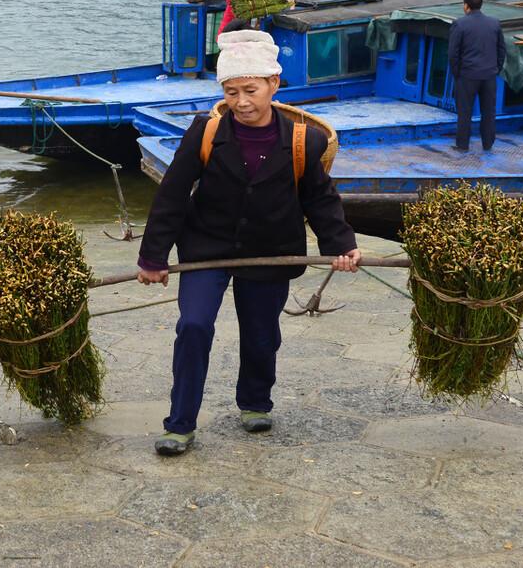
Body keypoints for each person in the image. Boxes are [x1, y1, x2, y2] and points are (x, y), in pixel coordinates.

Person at [136, 30, 360, 456]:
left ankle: (255, 401)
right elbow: (172, 194)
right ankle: (180, 423)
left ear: (274, 84)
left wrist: (341, 245)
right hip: (207, 249)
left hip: (270, 249)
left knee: (260, 335)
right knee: (194, 326)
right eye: (232, 91)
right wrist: (153, 256)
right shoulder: (205, 132)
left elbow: (320, 199)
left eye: (251, 90)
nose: (242, 102)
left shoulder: (303, 140)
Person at [448, 0, 506, 152]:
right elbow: (502, 50)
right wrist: (495, 69)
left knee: (464, 112)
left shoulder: (459, 24)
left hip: (467, 75)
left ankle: (462, 146)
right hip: (489, 75)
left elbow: (453, 54)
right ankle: (487, 144)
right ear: (481, 3)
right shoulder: (494, 23)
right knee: (489, 112)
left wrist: (457, 74)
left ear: (466, 5)